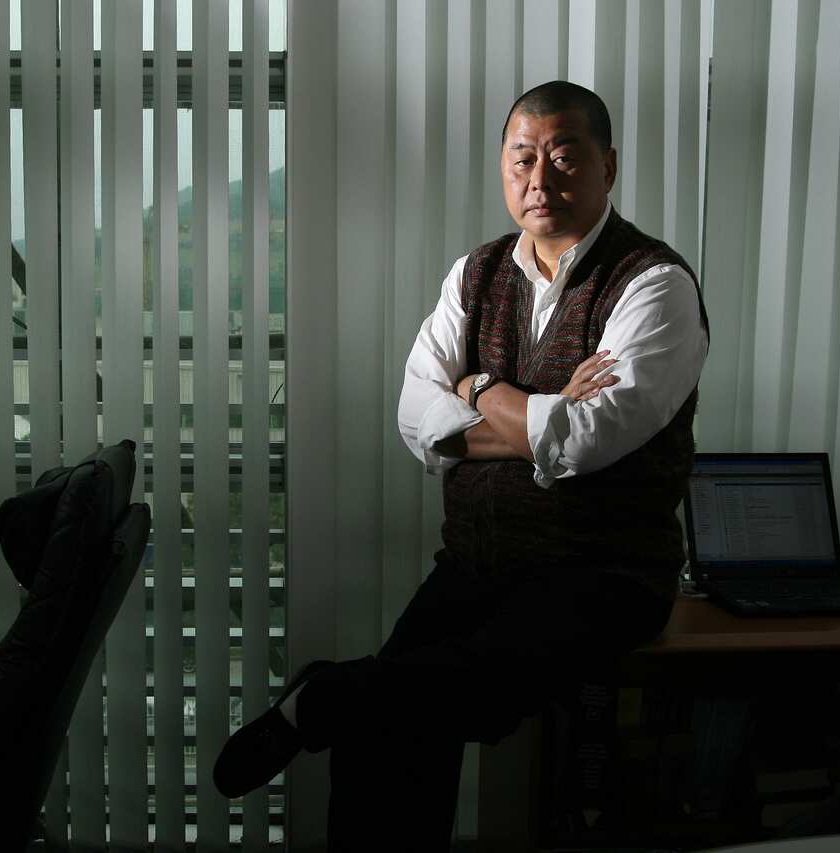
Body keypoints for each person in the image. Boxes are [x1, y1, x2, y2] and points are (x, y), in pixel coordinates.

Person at [213, 80, 709, 850]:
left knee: (413, 689)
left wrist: (473, 391)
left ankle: (322, 695)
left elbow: (589, 437)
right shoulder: (474, 275)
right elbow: (417, 417)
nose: (539, 179)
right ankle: (333, 703)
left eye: (563, 157)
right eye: (522, 159)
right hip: (475, 563)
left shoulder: (654, 284)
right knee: (391, 720)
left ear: (608, 165)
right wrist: (528, 411)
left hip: (601, 574)